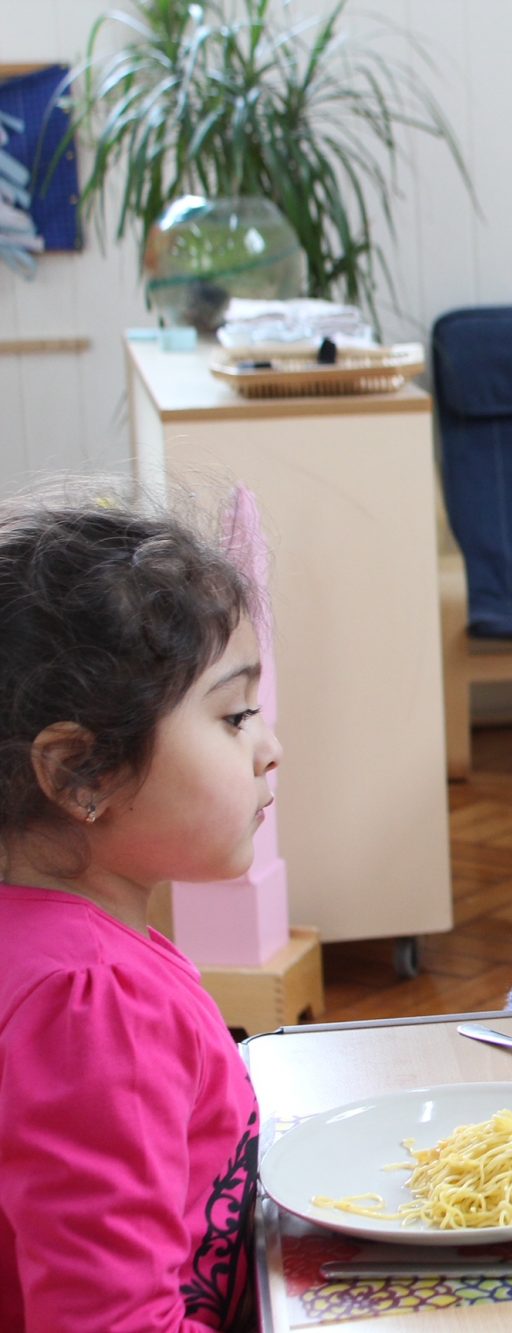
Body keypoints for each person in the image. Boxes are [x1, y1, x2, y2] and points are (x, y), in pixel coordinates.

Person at [0, 487, 281, 1330]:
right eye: (234, 717)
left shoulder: (72, 947)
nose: (269, 749)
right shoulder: (89, 1001)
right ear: (82, 772)